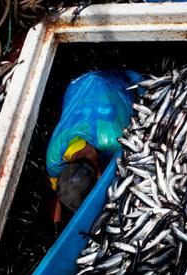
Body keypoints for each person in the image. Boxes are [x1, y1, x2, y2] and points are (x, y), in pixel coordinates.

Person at [45, 70, 142, 228]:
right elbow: (58, 191)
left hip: (121, 81)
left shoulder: (115, 140)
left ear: (98, 175)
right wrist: (56, 226)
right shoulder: (53, 160)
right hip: (76, 84)